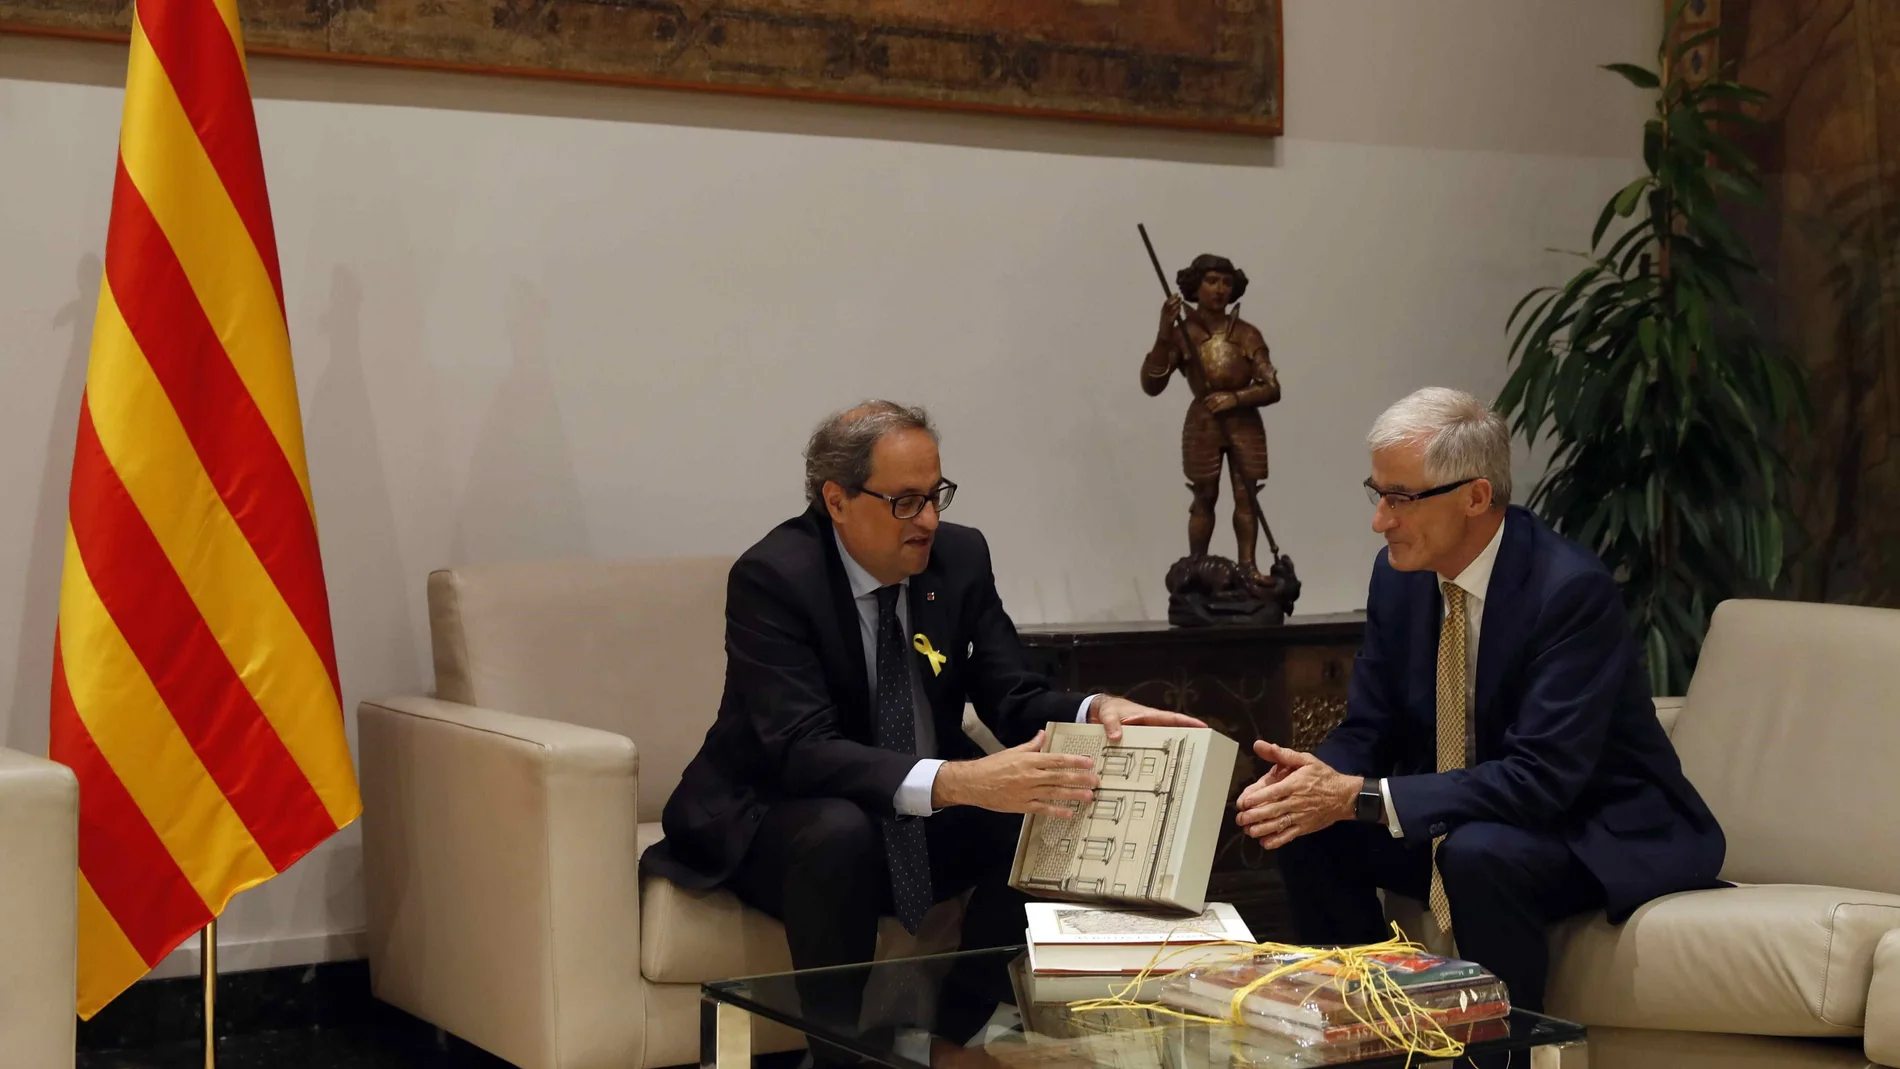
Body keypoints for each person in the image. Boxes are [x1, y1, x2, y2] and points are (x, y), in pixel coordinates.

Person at [644, 400, 1201, 989]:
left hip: (914, 812)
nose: (929, 520)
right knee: (840, 832)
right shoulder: (774, 578)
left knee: (1044, 820)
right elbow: (800, 749)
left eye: (937, 496)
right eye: (905, 502)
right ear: (837, 501)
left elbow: (1010, 692)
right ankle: (846, 1058)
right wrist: (962, 782)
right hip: (778, 811)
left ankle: (955, 1039)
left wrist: (1096, 710)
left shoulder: (959, 559)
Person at [1233, 387, 1724, 1013]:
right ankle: (1367, 1029)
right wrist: (1316, 782)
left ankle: (1499, 1054)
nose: (1380, 519)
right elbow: (1371, 725)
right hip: (1466, 810)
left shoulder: (1569, 591)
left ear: (1475, 497)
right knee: (1307, 829)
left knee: (1478, 852)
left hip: (1588, 824)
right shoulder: (1399, 575)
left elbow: (1542, 780)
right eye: (1377, 493)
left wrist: (1360, 797)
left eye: (1401, 498)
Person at [1140, 253, 1281, 581]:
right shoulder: (1182, 333)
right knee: (1204, 495)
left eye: (1227, 283)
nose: (1220, 289)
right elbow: (1152, 384)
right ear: (1196, 285)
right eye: (1212, 281)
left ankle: (1248, 567)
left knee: (1247, 495)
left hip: (1243, 421)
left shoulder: (1247, 334)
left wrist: (1235, 397)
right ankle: (1196, 567)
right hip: (1204, 421)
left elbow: (1271, 387)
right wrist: (1163, 333)